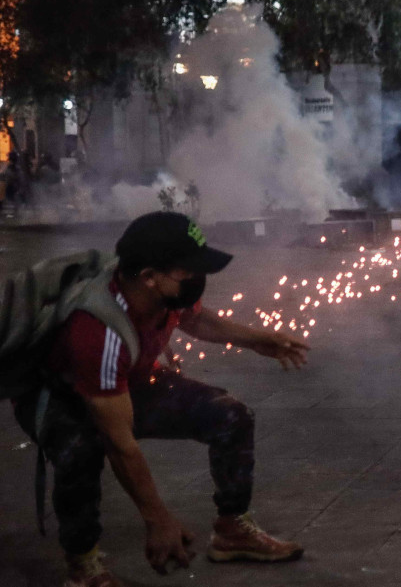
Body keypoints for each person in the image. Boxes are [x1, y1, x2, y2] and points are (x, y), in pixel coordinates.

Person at [13, 212, 311, 586]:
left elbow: (196, 321)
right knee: (81, 451)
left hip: (128, 379)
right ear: (150, 277)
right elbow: (121, 445)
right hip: (63, 396)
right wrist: (158, 520)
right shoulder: (98, 331)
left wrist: (257, 339)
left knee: (229, 415)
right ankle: (83, 563)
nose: (196, 279)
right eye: (186, 271)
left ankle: (232, 529)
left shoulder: (163, 293)